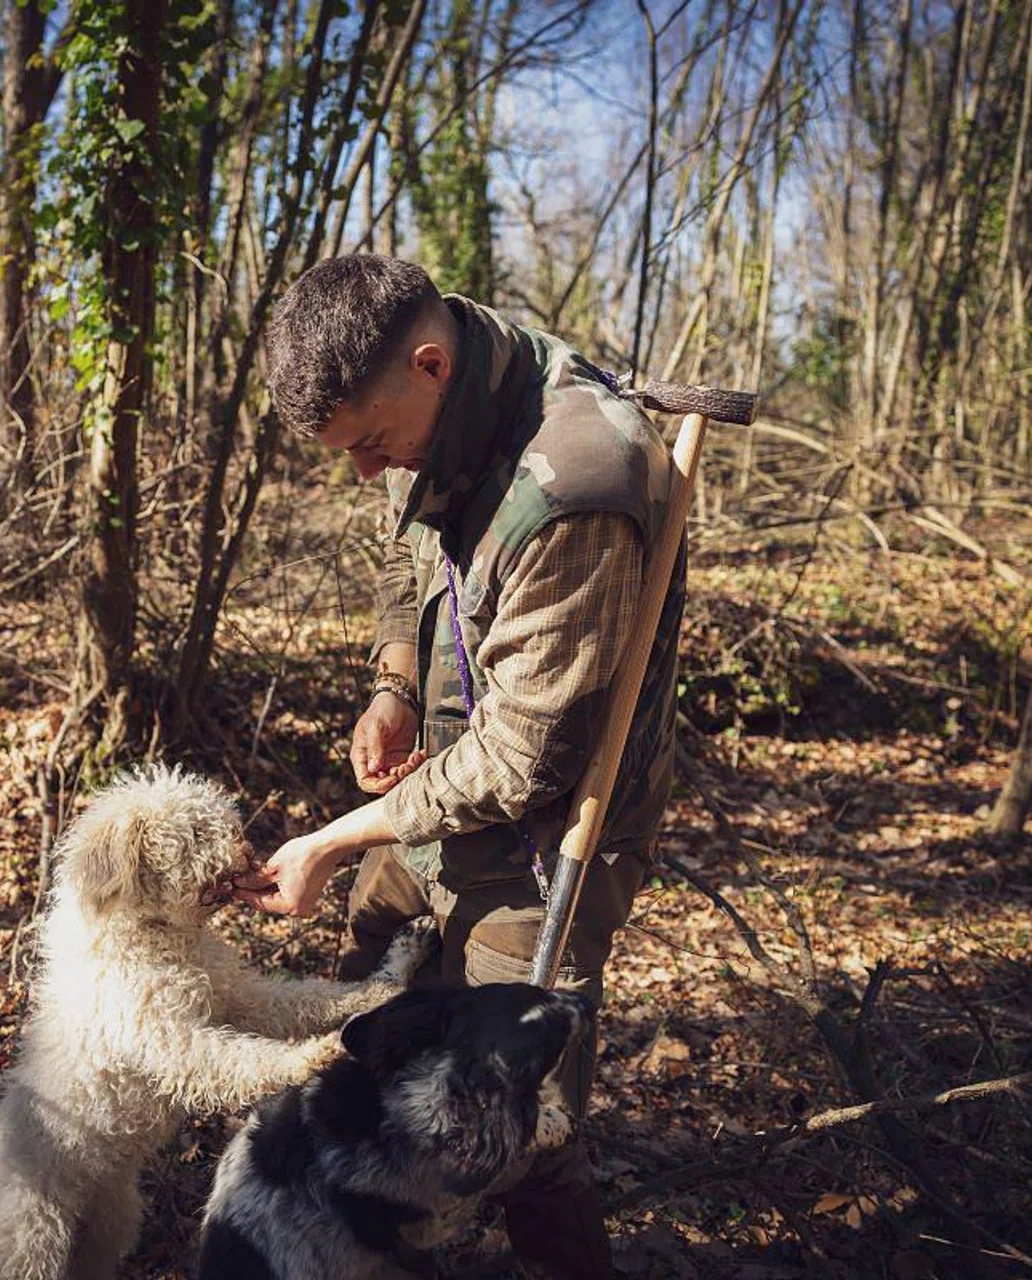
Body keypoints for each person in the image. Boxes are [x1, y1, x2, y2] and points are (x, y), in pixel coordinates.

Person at [233, 254, 683, 1280]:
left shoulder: (578, 484)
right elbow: (408, 546)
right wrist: (395, 681)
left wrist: (336, 836)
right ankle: (369, 1232)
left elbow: (528, 758)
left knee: (525, 1127)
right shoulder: (434, 392)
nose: (364, 470)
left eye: (372, 442)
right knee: (367, 998)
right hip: (437, 804)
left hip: (542, 840)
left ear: (427, 364)